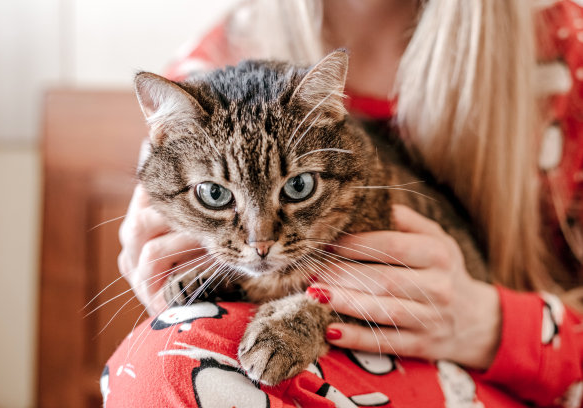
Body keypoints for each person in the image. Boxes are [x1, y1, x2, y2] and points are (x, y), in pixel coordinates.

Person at [104, 0, 583, 406]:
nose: (260, 240)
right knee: (165, 365)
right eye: (215, 194)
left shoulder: (566, 47)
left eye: (296, 189)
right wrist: (165, 278)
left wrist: (490, 323)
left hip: (508, 381)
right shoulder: (202, 68)